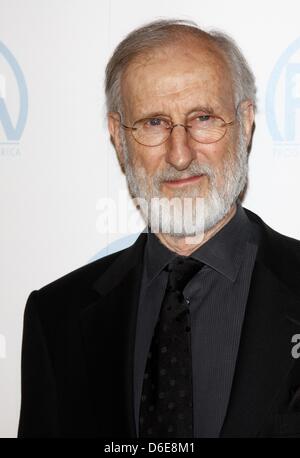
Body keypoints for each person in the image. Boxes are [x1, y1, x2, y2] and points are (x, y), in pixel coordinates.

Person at [18, 19, 300, 438]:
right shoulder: (56, 318)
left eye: (203, 117)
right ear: (118, 136)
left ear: (245, 122)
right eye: (153, 123)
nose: (180, 154)